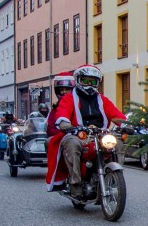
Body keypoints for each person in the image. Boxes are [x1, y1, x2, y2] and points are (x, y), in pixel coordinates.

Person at [45, 65, 128, 195]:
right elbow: (63, 112)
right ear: (78, 80)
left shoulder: (102, 99)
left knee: (119, 144)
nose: (89, 85)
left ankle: (115, 176)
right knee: (71, 144)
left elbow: (116, 114)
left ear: (98, 83)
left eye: (93, 81)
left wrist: (126, 125)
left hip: (100, 135)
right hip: (78, 134)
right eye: (86, 81)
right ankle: (75, 182)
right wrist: (64, 122)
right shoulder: (69, 98)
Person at [46, 71, 75, 138]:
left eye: (67, 89)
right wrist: (65, 131)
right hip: (61, 138)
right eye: (61, 89)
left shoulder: (79, 105)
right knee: (48, 142)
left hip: (81, 137)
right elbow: (50, 129)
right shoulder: (55, 109)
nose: (64, 92)